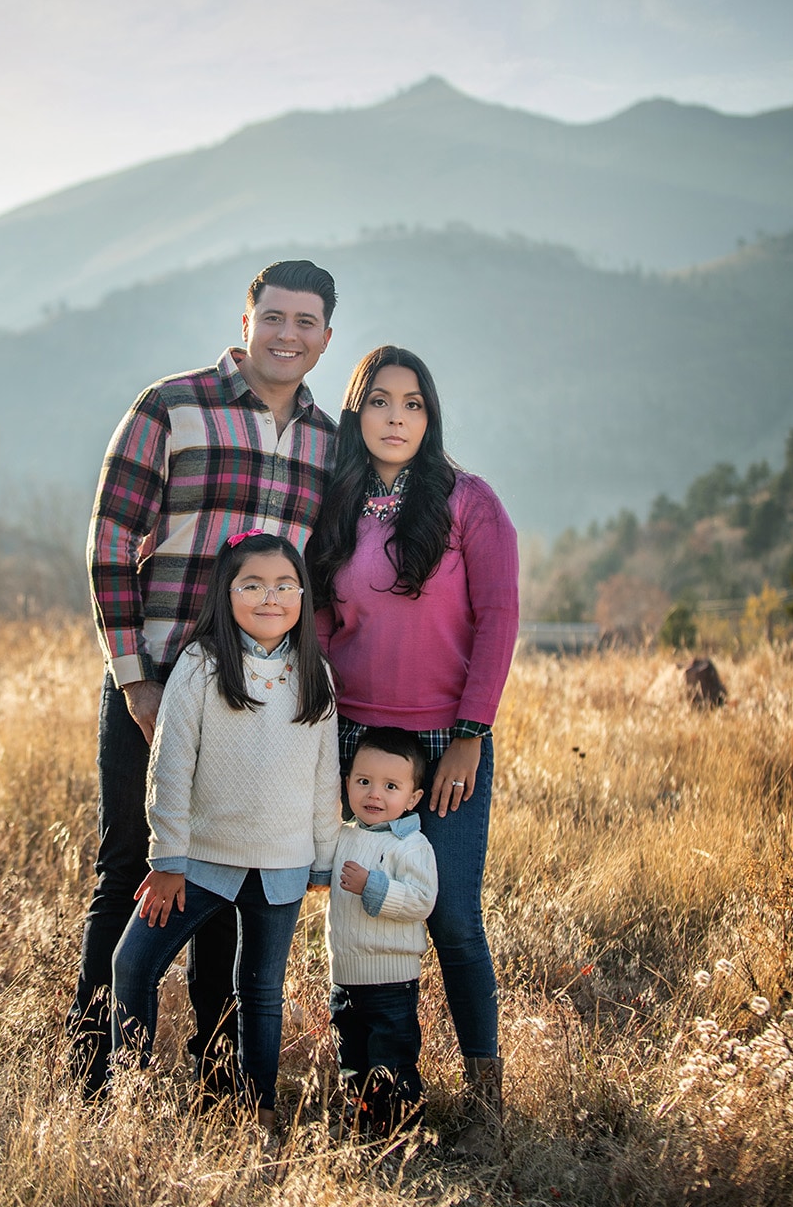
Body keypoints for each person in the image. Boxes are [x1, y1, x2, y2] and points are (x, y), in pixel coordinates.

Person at [72, 261, 339, 1094]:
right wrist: (134, 680)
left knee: (240, 883)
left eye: (306, 322)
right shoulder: (172, 407)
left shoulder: (330, 443)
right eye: (274, 317)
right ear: (248, 317)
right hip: (156, 687)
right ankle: (97, 1076)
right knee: (135, 870)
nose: (287, 335)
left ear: (326, 337)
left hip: (261, 703)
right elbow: (110, 543)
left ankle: (218, 1081)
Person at [308, 346, 519, 1155]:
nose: (397, 417)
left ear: (430, 418)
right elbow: (323, 626)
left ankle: (487, 1099)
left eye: (414, 404)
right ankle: (373, 1081)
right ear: (357, 413)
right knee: (355, 903)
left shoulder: (470, 503)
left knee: (455, 917)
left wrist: (470, 735)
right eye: (381, 402)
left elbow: (498, 618)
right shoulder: (337, 505)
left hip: (443, 741)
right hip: (354, 739)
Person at [111, 532, 340, 1132]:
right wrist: (167, 860)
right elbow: (170, 765)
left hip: (283, 864)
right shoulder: (203, 664)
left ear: (302, 594)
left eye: (286, 585)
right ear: (227, 592)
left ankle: (257, 1112)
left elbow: (325, 779)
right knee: (133, 964)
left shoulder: (316, 673)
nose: (272, 597)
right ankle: (130, 1099)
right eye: (254, 585)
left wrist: (322, 861)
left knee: (260, 994)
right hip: (201, 862)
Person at [315, 726, 438, 1137]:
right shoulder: (344, 837)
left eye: (391, 786)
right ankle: (362, 1124)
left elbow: (422, 900)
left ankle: (401, 1132)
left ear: (413, 798)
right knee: (352, 1056)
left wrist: (374, 886)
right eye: (363, 781)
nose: (375, 795)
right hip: (345, 977)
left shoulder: (412, 846)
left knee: (391, 1057)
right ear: (347, 782)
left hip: (391, 980)